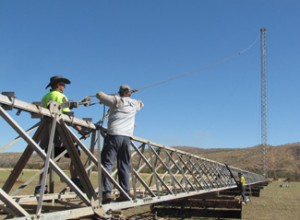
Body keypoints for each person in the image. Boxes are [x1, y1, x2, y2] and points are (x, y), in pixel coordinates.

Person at [35, 75, 85, 194]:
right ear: (58, 85)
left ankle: (40, 186)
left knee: (49, 160)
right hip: (60, 134)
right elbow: (67, 117)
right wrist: (80, 129)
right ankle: (74, 180)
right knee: (75, 154)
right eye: (63, 85)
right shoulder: (60, 96)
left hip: (47, 133)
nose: (64, 87)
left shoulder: (46, 96)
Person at [96, 85, 144, 203]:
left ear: (120, 92)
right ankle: (125, 192)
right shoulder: (135, 104)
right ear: (129, 93)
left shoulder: (116, 100)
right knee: (124, 164)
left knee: (107, 163)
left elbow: (99, 95)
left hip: (114, 135)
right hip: (127, 138)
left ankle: (106, 192)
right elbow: (141, 103)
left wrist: (113, 95)